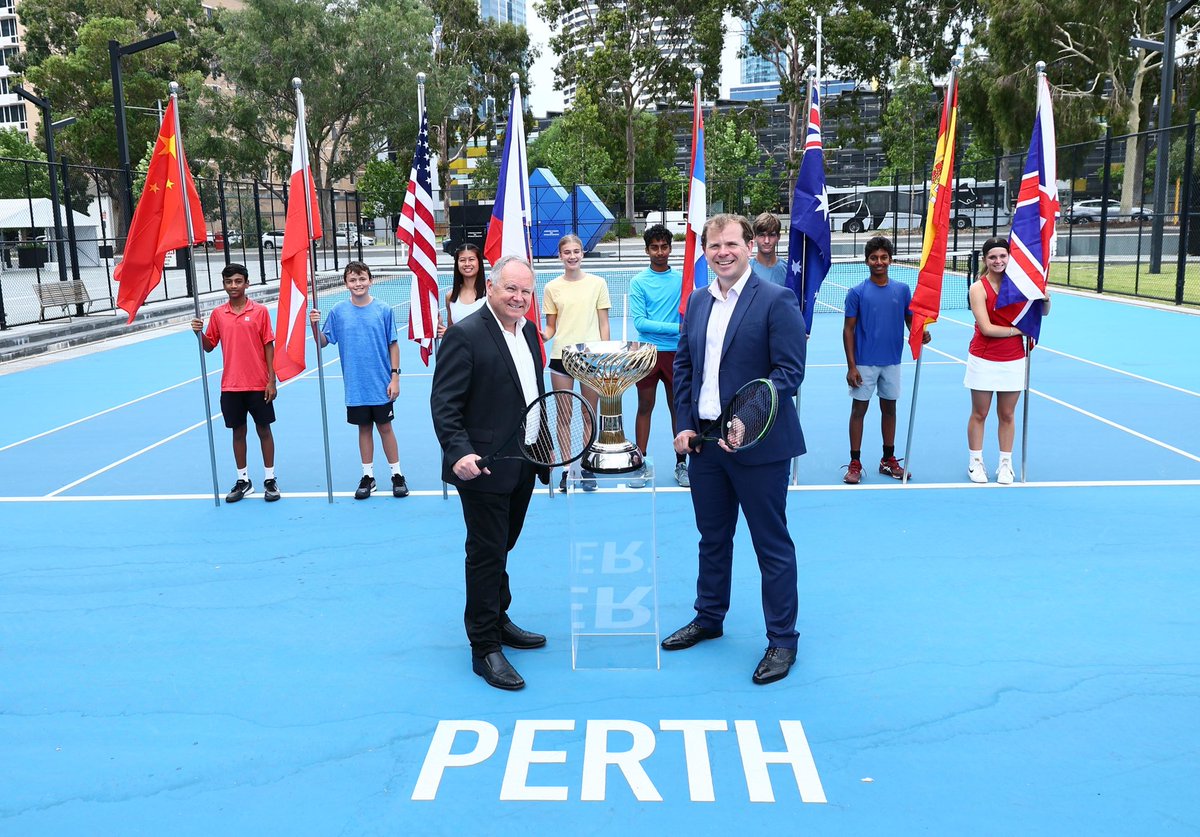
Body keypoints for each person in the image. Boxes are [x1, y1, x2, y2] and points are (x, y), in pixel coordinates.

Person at [663, 213, 807, 685]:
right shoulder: (698, 302)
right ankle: (709, 617)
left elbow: (788, 372)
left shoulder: (777, 299)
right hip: (705, 446)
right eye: (713, 245)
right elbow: (685, 368)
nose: (722, 252)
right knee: (712, 538)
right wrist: (684, 425)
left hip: (758, 447)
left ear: (749, 247)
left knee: (771, 544)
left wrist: (746, 418)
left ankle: (782, 640)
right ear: (705, 251)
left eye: (730, 243)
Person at [429, 256, 549, 691]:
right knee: (486, 553)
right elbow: (444, 403)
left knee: (503, 546)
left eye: (526, 291)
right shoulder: (465, 335)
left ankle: (499, 619)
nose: (519, 298)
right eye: (510, 289)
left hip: (525, 461)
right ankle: (484, 647)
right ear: (491, 287)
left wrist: (545, 446)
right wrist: (459, 451)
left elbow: (531, 393)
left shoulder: (530, 332)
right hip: (482, 467)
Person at [309, 261, 409, 500]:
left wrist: (395, 377)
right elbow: (323, 342)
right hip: (355, 385)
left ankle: (397, 474)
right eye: (352, 280)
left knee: (385, 428)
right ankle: (368, 476)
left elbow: (393, 345)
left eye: (362, 278)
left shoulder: (383, 310)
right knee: (364, 429)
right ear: (346, 284)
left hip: (381, 383)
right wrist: (314, 326)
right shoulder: (338, 312)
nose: (358, 284)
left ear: (370, 280)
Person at [841, 236, 930, 484]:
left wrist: (921, 332)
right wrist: (851, 366)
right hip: (864, 364)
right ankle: (855, 462)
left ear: (890, 259)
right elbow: (848, 329)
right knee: (859, 410)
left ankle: (887, 460)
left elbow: (911, 321)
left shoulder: (902, 290)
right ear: (866, 260)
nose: (879, 262)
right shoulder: (857, 293)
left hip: (892, 361)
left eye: (883, 257)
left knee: (889, 409)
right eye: (874, 258)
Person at [190, 263, 280, 503]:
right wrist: (199, 333)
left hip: (259, 384)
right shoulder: (218, 314)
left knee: (264, 430)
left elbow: (268, 345)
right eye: (229, 282)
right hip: (230, 386)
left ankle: (270, 479)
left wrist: (271, 379)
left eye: (238, 281)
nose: (233, 286)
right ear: (224, 285)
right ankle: (243, 480)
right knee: (237, 433)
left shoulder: (260, 312)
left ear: (247, 283)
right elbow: (209, 347)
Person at [965, 236, 1051, 485]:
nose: (998, 261)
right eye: (993, 257)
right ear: (985, 260)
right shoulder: (977, 289)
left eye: (1003, 256)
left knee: (1007, 414)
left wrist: (1045, 298)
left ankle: (1005, 464)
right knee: (980, 413)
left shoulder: (1021, 286)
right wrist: (1019, 331)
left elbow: (1041, 313)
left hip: (1014, 358)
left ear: (1009, 258)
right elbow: (987, 328)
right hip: (983, 358)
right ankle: (975, 462)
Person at [541, 233, 611, 492]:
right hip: (561, 357)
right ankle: (567, 468)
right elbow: (550, 327)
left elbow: (604, 323)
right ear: (560, 256)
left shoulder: (598, 284)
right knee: (564, 415)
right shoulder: (551, 287)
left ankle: (586, 465)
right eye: (566, 252)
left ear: (582, 254)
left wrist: (605, 354)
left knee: (588, 414)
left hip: (591, 358)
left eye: (576, 251)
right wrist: (540, 334)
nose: (572, 256)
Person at [627, 223, 689, 488]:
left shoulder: (683, 281)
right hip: (648, 354)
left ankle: (681, 464)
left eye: (664, 247)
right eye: (655, 247)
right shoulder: (639, 281)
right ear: (646, 250)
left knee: (678, 408)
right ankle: (639, 464)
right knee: (645, 406)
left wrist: (680, 332)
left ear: (670, 249)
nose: (660, 252)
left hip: (677, 354)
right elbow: (641, 323)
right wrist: (676, 327)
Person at [438, 243, 487, 337]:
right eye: (462, 260)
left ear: (479, 262)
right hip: (460, 351)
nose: (467, 264)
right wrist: (442, 327)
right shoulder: (450, 296)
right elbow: (451, 330)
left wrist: (454, 333)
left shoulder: (491, 293)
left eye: (471, 259)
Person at [750, 212, 788, 286]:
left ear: (778, 237)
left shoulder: (788, 269)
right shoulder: (746, 270)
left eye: (771, 235)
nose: (766, 241)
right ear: (754, 237)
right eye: (762, 235)